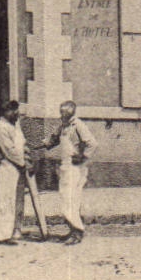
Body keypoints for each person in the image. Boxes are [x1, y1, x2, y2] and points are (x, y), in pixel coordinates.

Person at [46, 100, 98, 245]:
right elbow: (54, 139)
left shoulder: (78, 125)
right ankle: (72, 230)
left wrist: (83, 156)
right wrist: (46, 143)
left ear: (71, 113)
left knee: (71, 201)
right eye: (61, 112)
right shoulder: (63, 125)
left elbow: (92, 143)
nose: (62, 115)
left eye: (64, 113)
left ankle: (78, 233)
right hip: (65, 167)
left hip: (75, 169)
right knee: (66, 200)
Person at [0, 100, 32, 244]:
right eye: (13, 111)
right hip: (8, 168)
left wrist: (27, 156)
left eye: (17, 110)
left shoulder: (15, 125)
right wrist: (23, 162)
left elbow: (22, 144)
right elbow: (9, 150)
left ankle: (16, 230)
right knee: (6, 201)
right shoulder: (1, 127)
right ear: (5, 112)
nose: (16, 114)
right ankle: (2, 234)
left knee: (18, 200)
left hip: (19, 168)